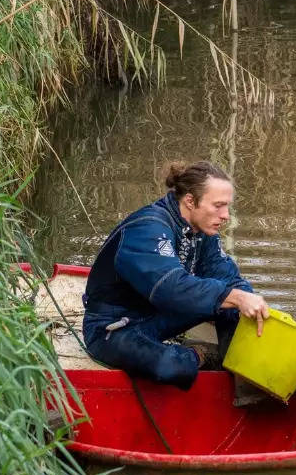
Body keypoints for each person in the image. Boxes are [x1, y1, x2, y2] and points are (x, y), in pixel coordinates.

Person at [82, 160, 271, 397]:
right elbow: (169, 288)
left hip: (157, 316)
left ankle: (244, 380)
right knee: (172, 366)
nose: (225, 216)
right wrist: (233, 296)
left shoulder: (202, 230)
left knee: (236, 306)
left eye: (227, 207)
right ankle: (201, 356)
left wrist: (250, 302)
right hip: (114, 328)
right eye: (218, 206)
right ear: (190, 201)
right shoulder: (148, 227)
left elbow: (228, 278)